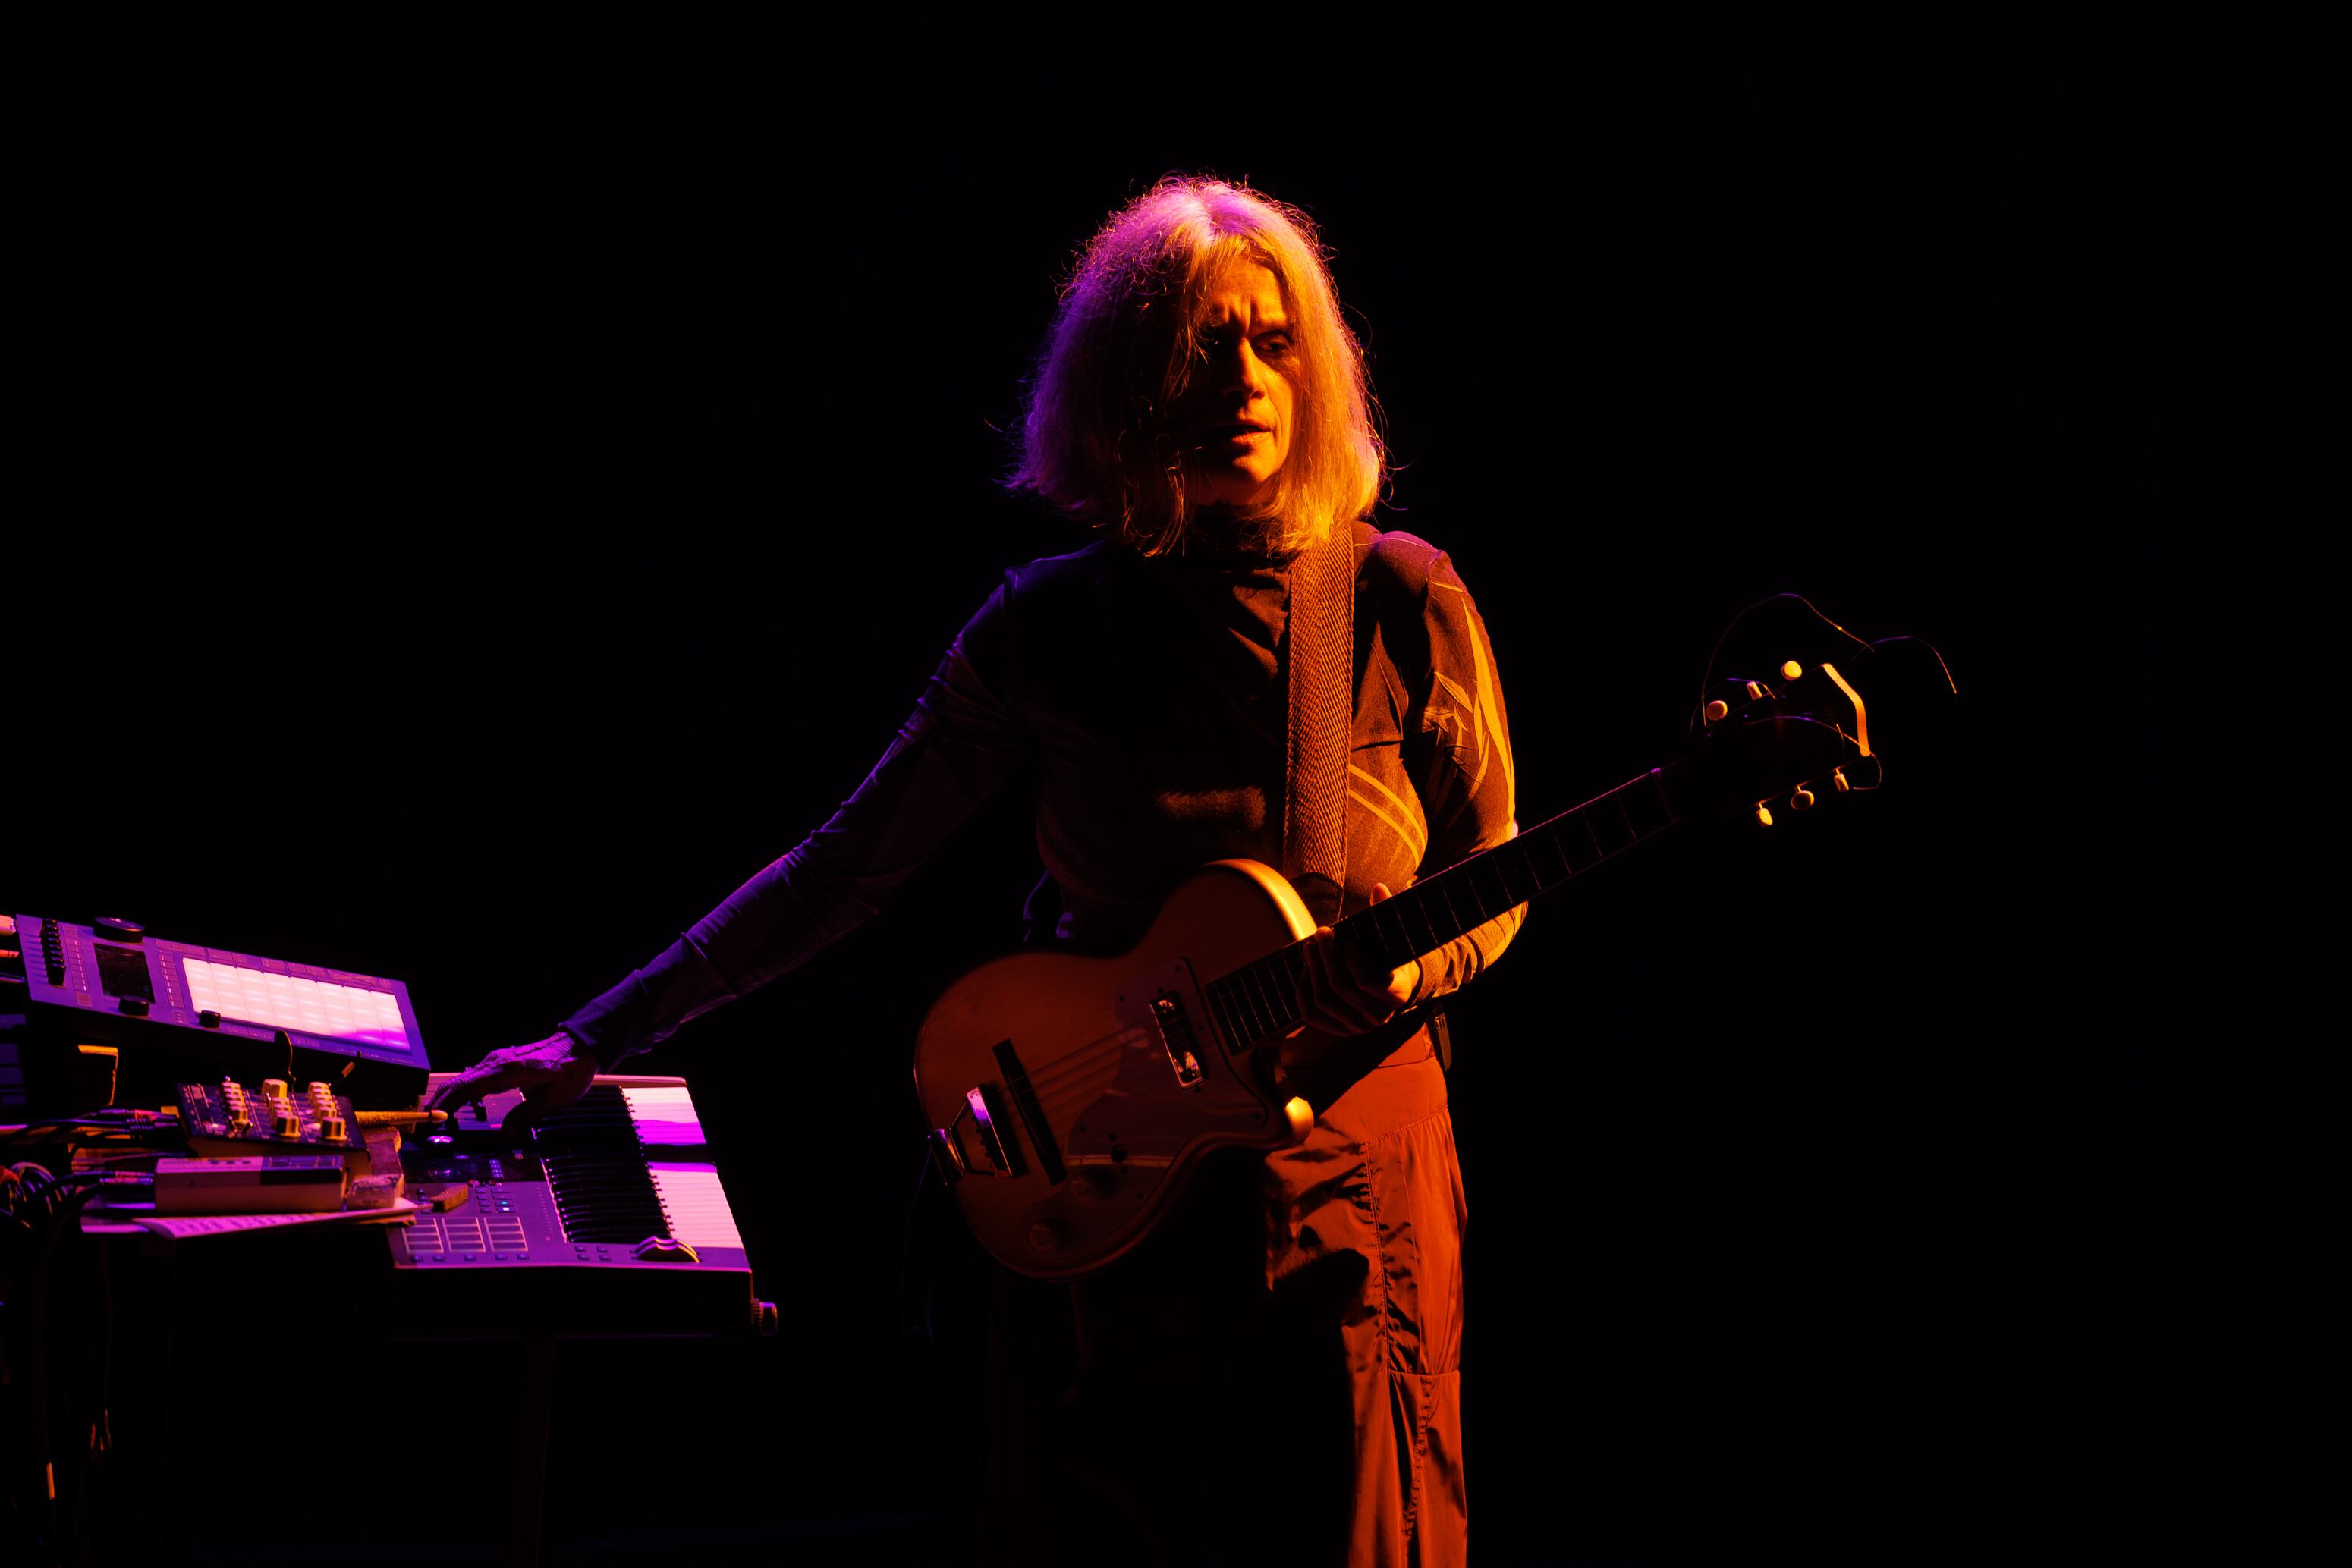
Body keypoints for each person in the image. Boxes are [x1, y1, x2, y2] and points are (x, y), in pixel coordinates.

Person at [429, 176, 1526, 1566]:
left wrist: (1427, 959)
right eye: (1198, 347)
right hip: (1103, 1198)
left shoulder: (1400, 599)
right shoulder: (1045, 629)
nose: (1242, 381)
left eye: (1271, 342)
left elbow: (1497, 866)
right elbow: (844, 869)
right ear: (1126, 389)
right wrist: (591, 1040)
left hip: (1344, 1201)